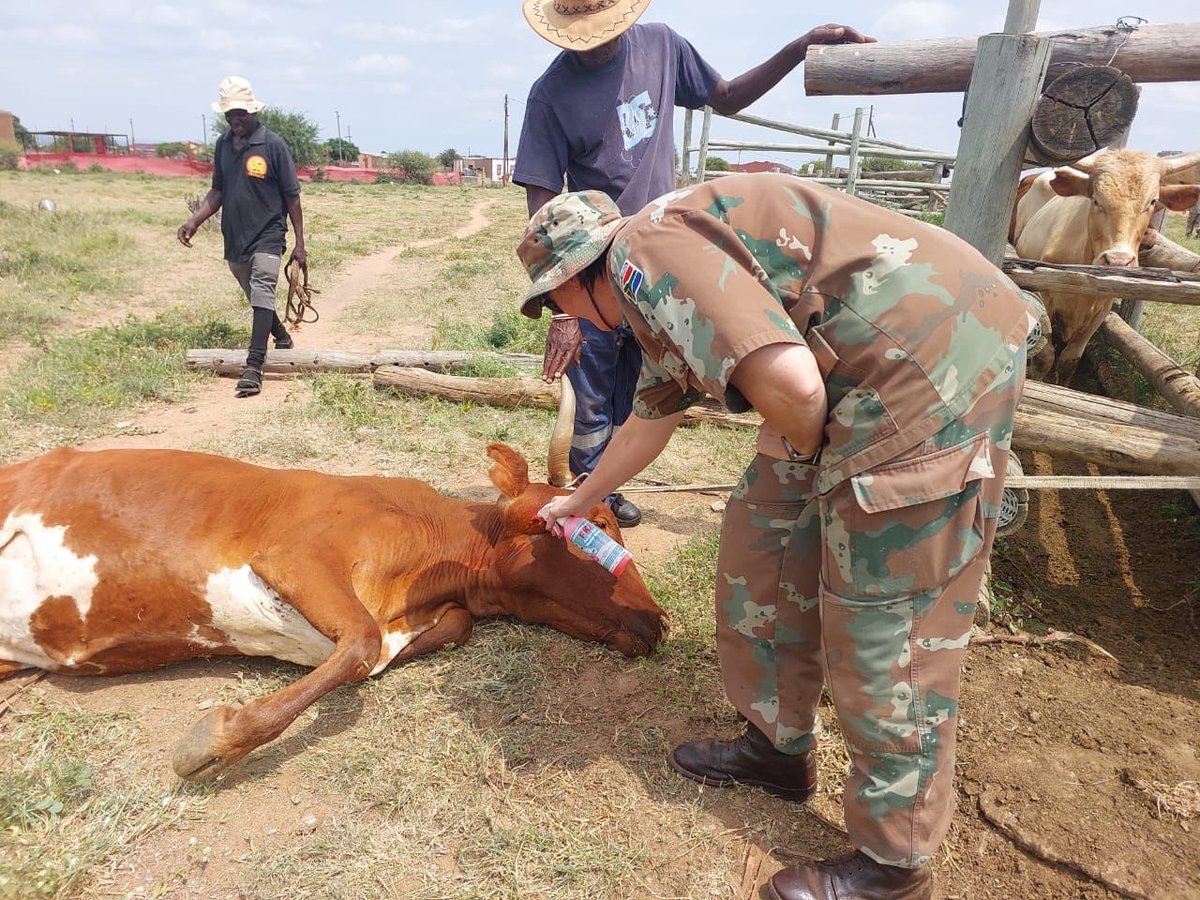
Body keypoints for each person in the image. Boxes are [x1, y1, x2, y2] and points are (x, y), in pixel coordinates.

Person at [517, 173, 1031, 900]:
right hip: (856, 372)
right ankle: (777, 746)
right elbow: (648, 422)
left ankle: (894, 862)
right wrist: (578, 499)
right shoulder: (647, 289)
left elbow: (794, 388)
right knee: (763, 544)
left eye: (553, 301)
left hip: (929, 362)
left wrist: (817, 453)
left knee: (883, 614)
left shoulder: (647, 254)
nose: (560, 315)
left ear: (577, 275)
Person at [515, 0, 873, 528]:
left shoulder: (662, 46)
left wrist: (797, 50)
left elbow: (727, 97)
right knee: (591, 399)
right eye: (581, 36)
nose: (596, 43)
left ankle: (604, 491)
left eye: (603, 30)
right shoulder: (551, 95)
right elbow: (544, 210)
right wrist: (565, 309)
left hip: (665, 265)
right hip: (593, 268)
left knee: (641, 390)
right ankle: (586, 497)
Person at [177, 75, 305, 398]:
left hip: (269, 234)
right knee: (255, 295)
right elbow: (217, 191)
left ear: (253, 111)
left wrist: (300, 244)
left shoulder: (273, 145)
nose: (235, 120)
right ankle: (281, 335)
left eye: (240, 113)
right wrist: (194, 221)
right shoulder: (223, 146)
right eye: (229, 114)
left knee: (262, 288)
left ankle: (254, 366)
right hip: (235, 235)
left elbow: (292, 196)